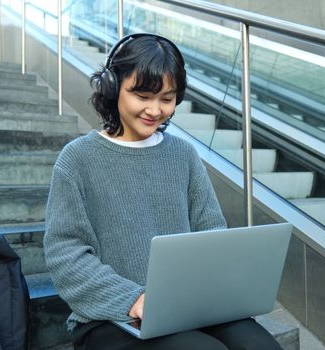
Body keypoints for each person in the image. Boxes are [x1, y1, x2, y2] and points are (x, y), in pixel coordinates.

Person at [43, 33, 282, 350]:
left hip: (189, 308)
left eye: (167, 99)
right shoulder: (77, 159)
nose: (155, 110)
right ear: (113, 87)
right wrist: (134, 299)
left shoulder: (183, 155)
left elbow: (211, 232)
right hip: (110, 318)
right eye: (142, 96)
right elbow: (66, 254)